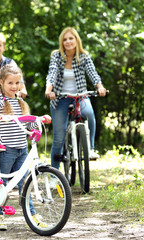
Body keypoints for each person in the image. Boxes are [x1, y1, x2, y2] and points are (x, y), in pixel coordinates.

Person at [0, 64, 51, 230]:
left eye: (17, 83)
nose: (14, 86)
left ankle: (32, 214)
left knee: (24, 184)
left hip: (22, 149)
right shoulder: (0, 101)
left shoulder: (21, 102)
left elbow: (28, 125)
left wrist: (38, 122)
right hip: (7, 150)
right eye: (10, 83)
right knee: (1, 184)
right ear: (1, 82)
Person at [45, 27, 107, 169]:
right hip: (61, 97)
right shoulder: (57, 56)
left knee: (89, 114)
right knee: (59, 138)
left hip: (80, 96)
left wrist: (100, 87)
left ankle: (90, 149)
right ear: (62, 42)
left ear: (76, 40)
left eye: (71, 38)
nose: (68, 41)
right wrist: (49, 90)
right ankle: (55, 172)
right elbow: (52, 73)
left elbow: (92, 73)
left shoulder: (84, 56)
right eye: (65, 39)